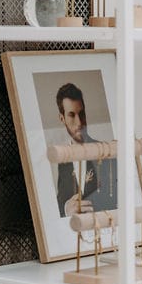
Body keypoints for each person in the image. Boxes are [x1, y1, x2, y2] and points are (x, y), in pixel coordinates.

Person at [53, 81, 117, 216]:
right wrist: (66, 208)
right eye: (71, 115)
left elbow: (120, 199)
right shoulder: (62, 162)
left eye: (81, 114)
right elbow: (60, 203)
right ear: (62, 118)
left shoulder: (107, 152)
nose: (79, 122)